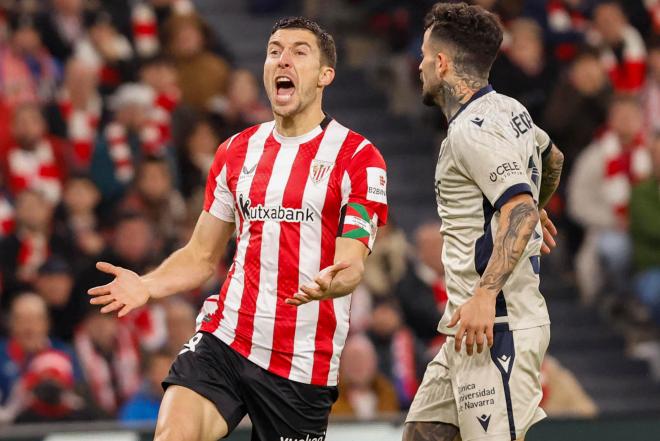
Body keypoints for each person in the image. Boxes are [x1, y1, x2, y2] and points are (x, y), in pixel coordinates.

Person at [88, 16, 388, 441]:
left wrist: (335, 281)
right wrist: (149, 286)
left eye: (299, 52)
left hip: (301, 361)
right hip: (226, 338)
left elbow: (353, 260)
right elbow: (200, 256)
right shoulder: (236, 151)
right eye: (274, 51)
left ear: (325, 75)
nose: (282, 60)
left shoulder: (358, 156)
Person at [405, 3, 564, 441]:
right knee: (422, 434)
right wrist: (531, 201)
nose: (418, 65)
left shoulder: (470, 130)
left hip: (498, 326)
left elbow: (520, 209)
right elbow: (553, 158)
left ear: (441, 63)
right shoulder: (510, 110)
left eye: (423, 55)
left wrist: (486, 290)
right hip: (468, 328)